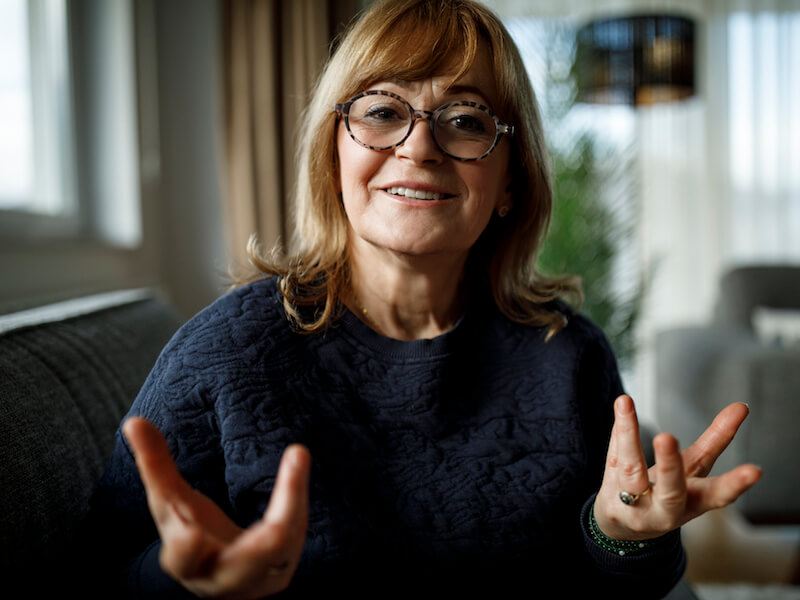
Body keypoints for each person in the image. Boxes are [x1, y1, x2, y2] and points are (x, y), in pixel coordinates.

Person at [86, 0, 762, 597]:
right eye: (382, 112)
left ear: (509, 183)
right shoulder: (225, 350)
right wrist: (182, 583)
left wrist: (621, 534)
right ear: (334, 159)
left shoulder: (569, 353)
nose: (419, 147)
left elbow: (610, 573)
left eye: (465, 120)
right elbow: (96, 573)